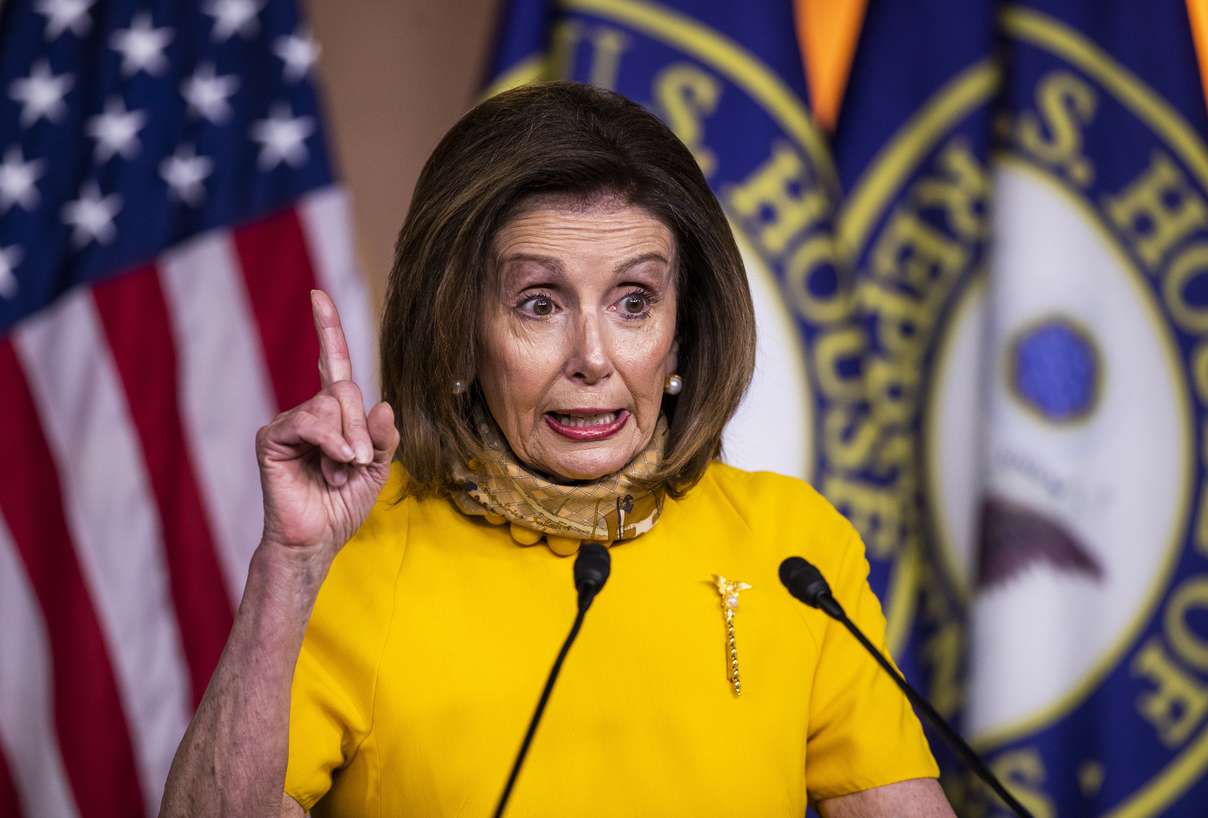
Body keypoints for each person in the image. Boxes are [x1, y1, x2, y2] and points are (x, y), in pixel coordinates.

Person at [159, 81, 955, 818]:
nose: (594, 358)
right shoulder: (353, 559)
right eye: (539, 303)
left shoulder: (793, 551)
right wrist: (291, 569)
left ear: (684, 331)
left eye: (634, 301)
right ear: (458, 333)